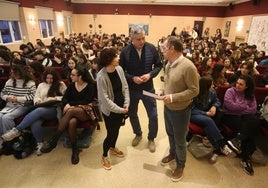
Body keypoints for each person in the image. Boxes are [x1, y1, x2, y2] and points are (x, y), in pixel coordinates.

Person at [159, 36, 199, 182]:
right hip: (168, 107)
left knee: (180, 138)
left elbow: (194, 91)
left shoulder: (188, 67)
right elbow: (169, 84)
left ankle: (180, 165)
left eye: (164, 48)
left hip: (181, 110)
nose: (162, 50)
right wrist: (163, 92)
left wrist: (173, 97)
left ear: (172, 49)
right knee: (170, 134)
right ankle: (172, 153)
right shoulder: (169, 64)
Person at [1, 68, 67, 155]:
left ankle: (17, 130)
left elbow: (66, 97)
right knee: (35, 122)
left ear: (55, 77)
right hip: (41, 106)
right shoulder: (41, 85)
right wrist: (37, 101)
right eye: (47, 78)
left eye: (51, 78)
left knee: (39, 110)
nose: (49, 80)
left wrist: (55, 98)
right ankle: (40, 143)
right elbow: (36, 96)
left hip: (53, 109)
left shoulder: (60, 84)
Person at [119, 25, 162, 152]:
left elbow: (159, 66)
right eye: (138, 39)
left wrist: (150, 75)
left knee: (153, 115)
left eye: (143, 38)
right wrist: (132, 78)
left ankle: (151, 138)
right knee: (132, 114)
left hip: (148, 89)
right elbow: (121, 71)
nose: (141, 42)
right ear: (131, 38)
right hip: (132, 89)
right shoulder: (125, 51)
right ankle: (138, 133)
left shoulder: (151, 48)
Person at [41, 67, 96, 165]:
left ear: (80, 76)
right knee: (71, 122)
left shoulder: (90, 86)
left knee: (70, 112)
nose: (70, 76)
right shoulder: (71, 85)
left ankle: (54, 139)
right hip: (74, 111)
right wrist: (67, 104)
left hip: (86, 111)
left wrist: (70, 104)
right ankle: (75, 150)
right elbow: (64, 99)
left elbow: (86, 101)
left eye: (73, 75)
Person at [97, 48, 130, 170]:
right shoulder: (101, 76)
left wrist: (126, 103)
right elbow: (105, 101)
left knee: (116, 130)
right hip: (111, 110)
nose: (119, 57)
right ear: (108, 60)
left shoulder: (119, 69)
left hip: (122, 107)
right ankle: (104, 155)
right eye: (116, 56)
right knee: (111, 133)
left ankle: (112, 147)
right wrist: (120, 110)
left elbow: (125, 87)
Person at [190, 77, 235, 164]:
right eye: (211, 85)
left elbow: (217, 101)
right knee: (209, 121)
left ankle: (217, 149)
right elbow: (191, 109)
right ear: (205, 86)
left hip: (206, 115)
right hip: (194, 114)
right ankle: (222, 144)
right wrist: (205, 113)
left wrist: (214, 106)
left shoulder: (212, 92)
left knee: (208, 125)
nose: (213, 86)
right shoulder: (195, 94)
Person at [222, 75, 261, 175]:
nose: (237, 85)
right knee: (249, 129)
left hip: (244, 117)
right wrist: (244, 106)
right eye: (237, 83)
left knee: (255, 121)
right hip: (229, 116)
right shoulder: (230, 91)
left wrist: (239, 108)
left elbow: (253, 109)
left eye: (241, 84)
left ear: (246, 87)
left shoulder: (250, 95)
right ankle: (246, 158)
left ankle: (238, 140)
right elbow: (230, 107)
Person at [0, 65, 36, 135]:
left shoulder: (30, 83)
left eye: (14, 73)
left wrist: (17, 99)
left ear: (20, 73)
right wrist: (7, 98)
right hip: (10, 105)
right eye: (11, 73)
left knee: (6, 118)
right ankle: (3, 137)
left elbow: (33, 96)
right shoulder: (9, 81)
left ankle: (10, 137)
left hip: (23, 106)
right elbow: (2, 93)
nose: (12, 75)